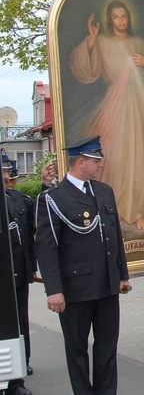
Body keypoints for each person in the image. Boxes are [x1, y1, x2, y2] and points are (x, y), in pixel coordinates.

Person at [69, 0, 144, 233]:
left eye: (123, 16)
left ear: (129, 18)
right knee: (117, 156)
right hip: (116, 104)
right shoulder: (102, 41)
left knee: (139, 157)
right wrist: (91, 38)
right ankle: (118, 208)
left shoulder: (138, 42)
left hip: (140, 106)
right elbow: (83, 69)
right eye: (115, 17)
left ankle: (139, 211)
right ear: (109, 19)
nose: (120, 21)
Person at [35, 136, 130, 395]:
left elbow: (114, 236)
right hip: (76, 288)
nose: (100, 165)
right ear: (80, 162)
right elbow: (47, 247)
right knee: (77, 348)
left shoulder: (104, 191)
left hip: (107, 284)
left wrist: (122, 274)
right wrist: (53, 290)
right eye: (96, 161)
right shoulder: (54, 198)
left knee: (107, 345)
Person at [3, 155, 36, 395]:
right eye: (3, 172)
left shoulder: (17, 199)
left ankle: (18, 376)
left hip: (17, 273)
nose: (7, 177)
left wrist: (45, 185)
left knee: (19, 323)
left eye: (8, 172)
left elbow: (40, 219)